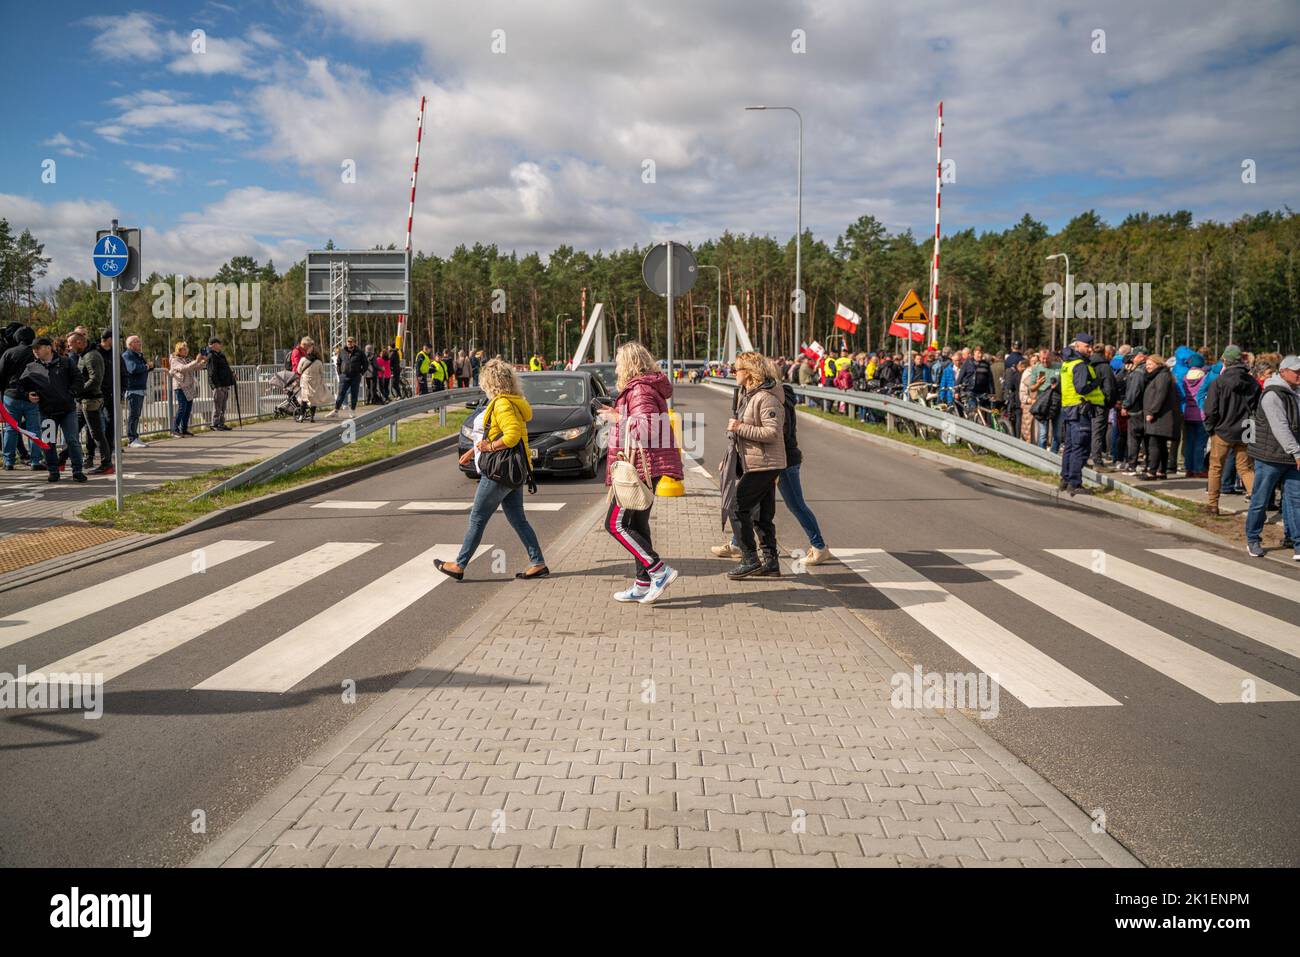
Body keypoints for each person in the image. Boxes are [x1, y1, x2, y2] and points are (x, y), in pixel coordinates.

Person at [435, 358, 548, 582]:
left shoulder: (502, 403)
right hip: (512, 470)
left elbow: (511, 435)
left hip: (499, 472)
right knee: (518, 519)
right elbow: (498, 432)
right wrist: (476, 449)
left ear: (491, 382)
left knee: (477, 518)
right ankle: (538, 562)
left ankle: (459, 565)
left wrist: (489, 447)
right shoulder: (514, 401)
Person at [713, 356, 829, 567]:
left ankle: (819, 546)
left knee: (794, 504)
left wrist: (743, 430)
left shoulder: (774, 398)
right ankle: (738, 543)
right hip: (771, 459)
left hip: (782, 459)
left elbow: (776, 433)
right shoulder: (760, 395)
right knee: (753, 504)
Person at [593, 342, 683, 602]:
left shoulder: (640, 389)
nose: (617, 366)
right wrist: (617, 413)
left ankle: (658, 570)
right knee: (637, 524)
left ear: (630, 364)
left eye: (620, 362)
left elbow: (648, 429)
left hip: (640, 467)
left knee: (615, 523)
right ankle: (643, 582)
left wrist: (618, 419)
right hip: (647, 465)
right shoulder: (643, 387)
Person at [724, 351, 786, 579]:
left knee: (737, 506)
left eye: (736, 369)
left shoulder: (765, 398)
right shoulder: (749, 395)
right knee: (762, 515)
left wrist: (740, 427)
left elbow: (771, 432)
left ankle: (750, 558)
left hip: (766, 464)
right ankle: (771, 563)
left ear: (749, 373)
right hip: (757, 463)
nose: (732, 373)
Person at [1244, 355, 1300, 559]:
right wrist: (1297, 452)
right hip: (1270, 456)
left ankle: (1297, 543)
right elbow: (1280, 427)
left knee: (1295, 500)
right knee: (1261, 499)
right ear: (1284, 371)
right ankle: (1252, 539)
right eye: (1297, 371)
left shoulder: (1295, 392)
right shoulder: (1272, 394)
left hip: (1291, 456)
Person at [19, 337, 87, 482]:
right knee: (49, 442)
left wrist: (71, 393)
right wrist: (27, 395)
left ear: (49, 348)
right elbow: (19, 385)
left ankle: (77, 471)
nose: (35, 351)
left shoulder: (65, 362)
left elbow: (79, 380)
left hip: (67, 410)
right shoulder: (31, 367)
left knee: (72, 440)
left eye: (38, 347)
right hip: (47, 412)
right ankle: (53, 471)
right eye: (33, 348)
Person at [1202, 345, 1259, 516]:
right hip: (1246, 430)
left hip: (1222, 429)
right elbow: (1257, 409)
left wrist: (1210, 428)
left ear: (1225, 361)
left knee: (1216, 467)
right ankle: (1258, 505)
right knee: (1246, 469)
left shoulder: (1218, 382)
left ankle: (1212, 505)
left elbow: (1210, 409)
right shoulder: (1253, 383)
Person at [1058, 334, 1103, 495]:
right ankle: (1075, 483)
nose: (1090, 349)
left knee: (1069, 447)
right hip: (1079, 409)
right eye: (1087, 346)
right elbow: (1081, 388)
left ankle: (1065, 479)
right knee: (1080, 448)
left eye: (1091, 346)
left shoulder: (1066, 363)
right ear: (1077, 346)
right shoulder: (1080, 365)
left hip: (1069, 409)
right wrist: (1096, 383)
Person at [63, 332, 111, 475]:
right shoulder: (84, 355)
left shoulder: (91, 356)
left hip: (90, 401)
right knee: (72, 431)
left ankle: (106, 463)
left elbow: (95, 379)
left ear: (79, 343)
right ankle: (60, 460)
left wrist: (77, 391)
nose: (69, 348)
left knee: (96, 434)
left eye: (70, 345)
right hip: (83, 400)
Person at [1, 325, 39, 469]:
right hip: (33, 395)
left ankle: (8, 461)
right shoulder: (36, 353)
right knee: (34, 428)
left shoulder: (8, 353)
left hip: (11, 395)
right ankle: (35, 460)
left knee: (11, 428)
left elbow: (1, 374)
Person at [1140, 354, 1176, 480]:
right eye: (1146, 365)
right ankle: (1161, 470)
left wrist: (1152, 412)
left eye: (1150, 364)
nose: (1147, 367)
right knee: (1160, 445)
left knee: (1154, 444)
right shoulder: (1160, 375)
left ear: (1158, 364)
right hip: (1160, 416)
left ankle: (1152, 471)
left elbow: (1160, 396)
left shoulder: (1162, 376)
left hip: (1159, 417)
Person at [1087, 341, 1118, 468]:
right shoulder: (1105, 367)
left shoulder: (1087, 364)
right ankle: (1097, 460)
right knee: (1097, 433)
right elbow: (1109, 387)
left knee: (1088, 431)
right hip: (1100, 404)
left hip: (1087, 402)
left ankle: (1084, 457)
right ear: (1105, 352)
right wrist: (1110, 403)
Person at [167, 340, 206, 437]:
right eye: (183, 349)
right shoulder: (174, 359)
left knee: (188, 409)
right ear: (178, 350)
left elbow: (196, 367)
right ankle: (174, 429)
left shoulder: (186, 359)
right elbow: (183, 368)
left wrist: (203, 361)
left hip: (188, 386)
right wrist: (196, 361)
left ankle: (184, 429)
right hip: (180, 386)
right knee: (182, 408)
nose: (186, 351)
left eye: (186, 349)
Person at [122, 335, 153, 448]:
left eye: (140, 341)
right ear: (130, 344)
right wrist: (146, 366)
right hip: (133, 389)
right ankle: (131, 439)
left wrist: (150, 366)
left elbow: (144, 367)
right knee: (133, 415)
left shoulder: (138, 355)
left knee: (136, 414)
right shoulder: (127, 355)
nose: (140, 344)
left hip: (139, 388)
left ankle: (135, 437)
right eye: (137, 342)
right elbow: (133, 368)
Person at [1121, 348, 1148, 474]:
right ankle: (1148, 465)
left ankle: (1132, 464)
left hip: (1136, 410)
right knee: (1145, 438)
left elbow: (1134, 391)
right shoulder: (1148, 370)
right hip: (1146, 409)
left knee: (1133, 438)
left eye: (1134, 356)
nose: (1132, 359)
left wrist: (1125, 405)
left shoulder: (1138, 372)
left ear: (1141, 357)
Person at [329, 336, 366, 417]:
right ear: (346, 342)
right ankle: (336, 411)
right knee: (341, 393)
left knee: (354, 394)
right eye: (348, 341)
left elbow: (365, 364)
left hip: (355, 377)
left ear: (354, 342)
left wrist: (361, 373)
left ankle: (352, 411)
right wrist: (340, 374)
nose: (349, 343)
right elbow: (338, 363)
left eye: (351, 341)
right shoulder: (342, 351)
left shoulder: (359, 352)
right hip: (344, 377)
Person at [296, 338, 330, 421]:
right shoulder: (318, 362)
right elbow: (322, 372)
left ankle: (301, 416)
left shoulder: (303, 359)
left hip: (305, 382)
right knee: (313, 400)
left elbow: (299, 370)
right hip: (315, 382)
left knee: (304, 399)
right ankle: (312, 417)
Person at [206, 337, 235, 431]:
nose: (220, 345)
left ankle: (221, 423)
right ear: (213, 345)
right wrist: (216, 386)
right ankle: (215, 424)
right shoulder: (211, 356)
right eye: (219, 343)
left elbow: (225, 367)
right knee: (217, 406)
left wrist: (232, 373)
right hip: (218, 385)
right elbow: (212, 372)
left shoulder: (221, 355)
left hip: (225, 384)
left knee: (223, 406)